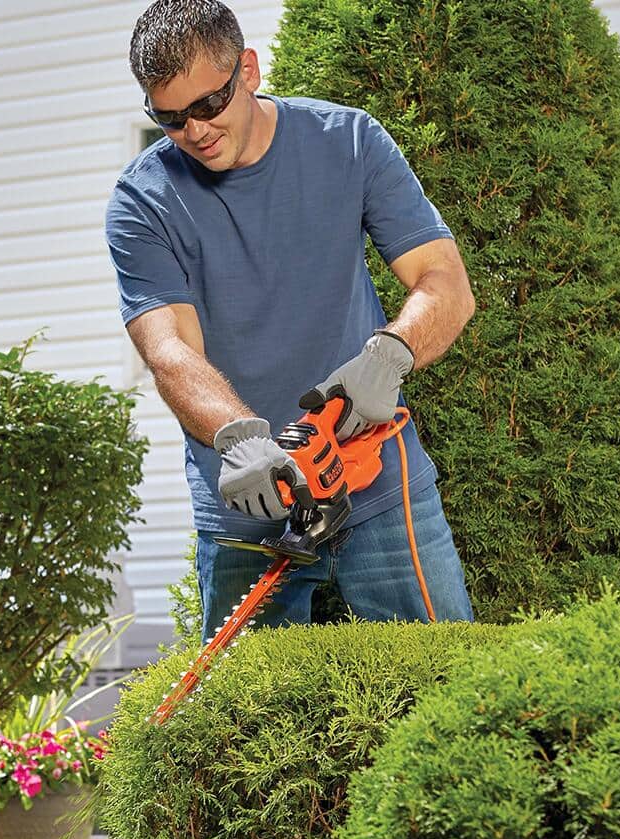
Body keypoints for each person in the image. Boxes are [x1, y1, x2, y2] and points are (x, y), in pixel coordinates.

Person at [105, 0, 477, 641]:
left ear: (247, 70)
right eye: (169, 117)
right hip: (247, 495)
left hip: (372, 473)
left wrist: (390, 354)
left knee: (445, 678)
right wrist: (238, 438)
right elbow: (168, 350)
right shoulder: (144, 201)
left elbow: (445, 284)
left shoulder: (349, 142)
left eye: (208, 105)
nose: (194, 130)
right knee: (243, 726)